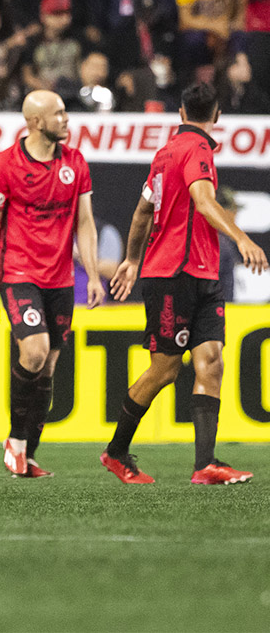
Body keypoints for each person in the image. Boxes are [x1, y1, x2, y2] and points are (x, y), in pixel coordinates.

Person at [102, 82, 268, 485]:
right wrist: (243, 239)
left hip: (201, 274)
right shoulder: (197, 150)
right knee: (165, 370)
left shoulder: (164, 155)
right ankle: (116, 451)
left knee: (211, 360)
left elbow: (143, 212)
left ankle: (205, 465)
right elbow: (204, 201)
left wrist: (132, 259)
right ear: (217, 116)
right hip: (173, 275)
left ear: (180, 113)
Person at [0, 89, 104, 479]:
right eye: (58, 113)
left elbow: (85, 222)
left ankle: (28, 455)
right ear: (35, 122)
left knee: (47, 368)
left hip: (60, 278)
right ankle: (15, 441)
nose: (66, 119)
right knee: (34, 352)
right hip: (19, 275)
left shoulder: (75, 162)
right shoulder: (4, 165)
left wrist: (93, 275)